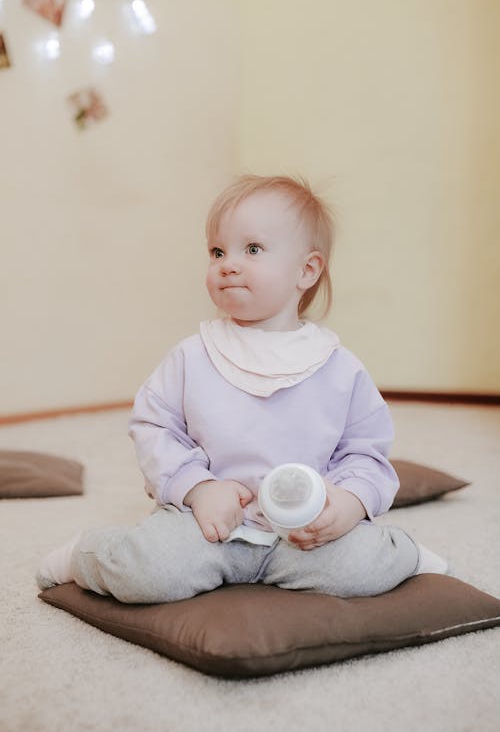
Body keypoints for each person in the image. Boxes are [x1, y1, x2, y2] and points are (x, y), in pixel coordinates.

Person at [37, 174, 447, 602]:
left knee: (361, 568)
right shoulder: (192, 356)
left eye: (252, 249)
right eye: (217, 251)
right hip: (207, 526)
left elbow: (365, 449)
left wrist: (349, 502)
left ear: (306, 270)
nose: (227, 263)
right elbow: (153, 427)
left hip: (302, 536)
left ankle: (406, 556)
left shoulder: (338, 367)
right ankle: (86, 556)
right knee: (152, 572)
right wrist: (198, 489)